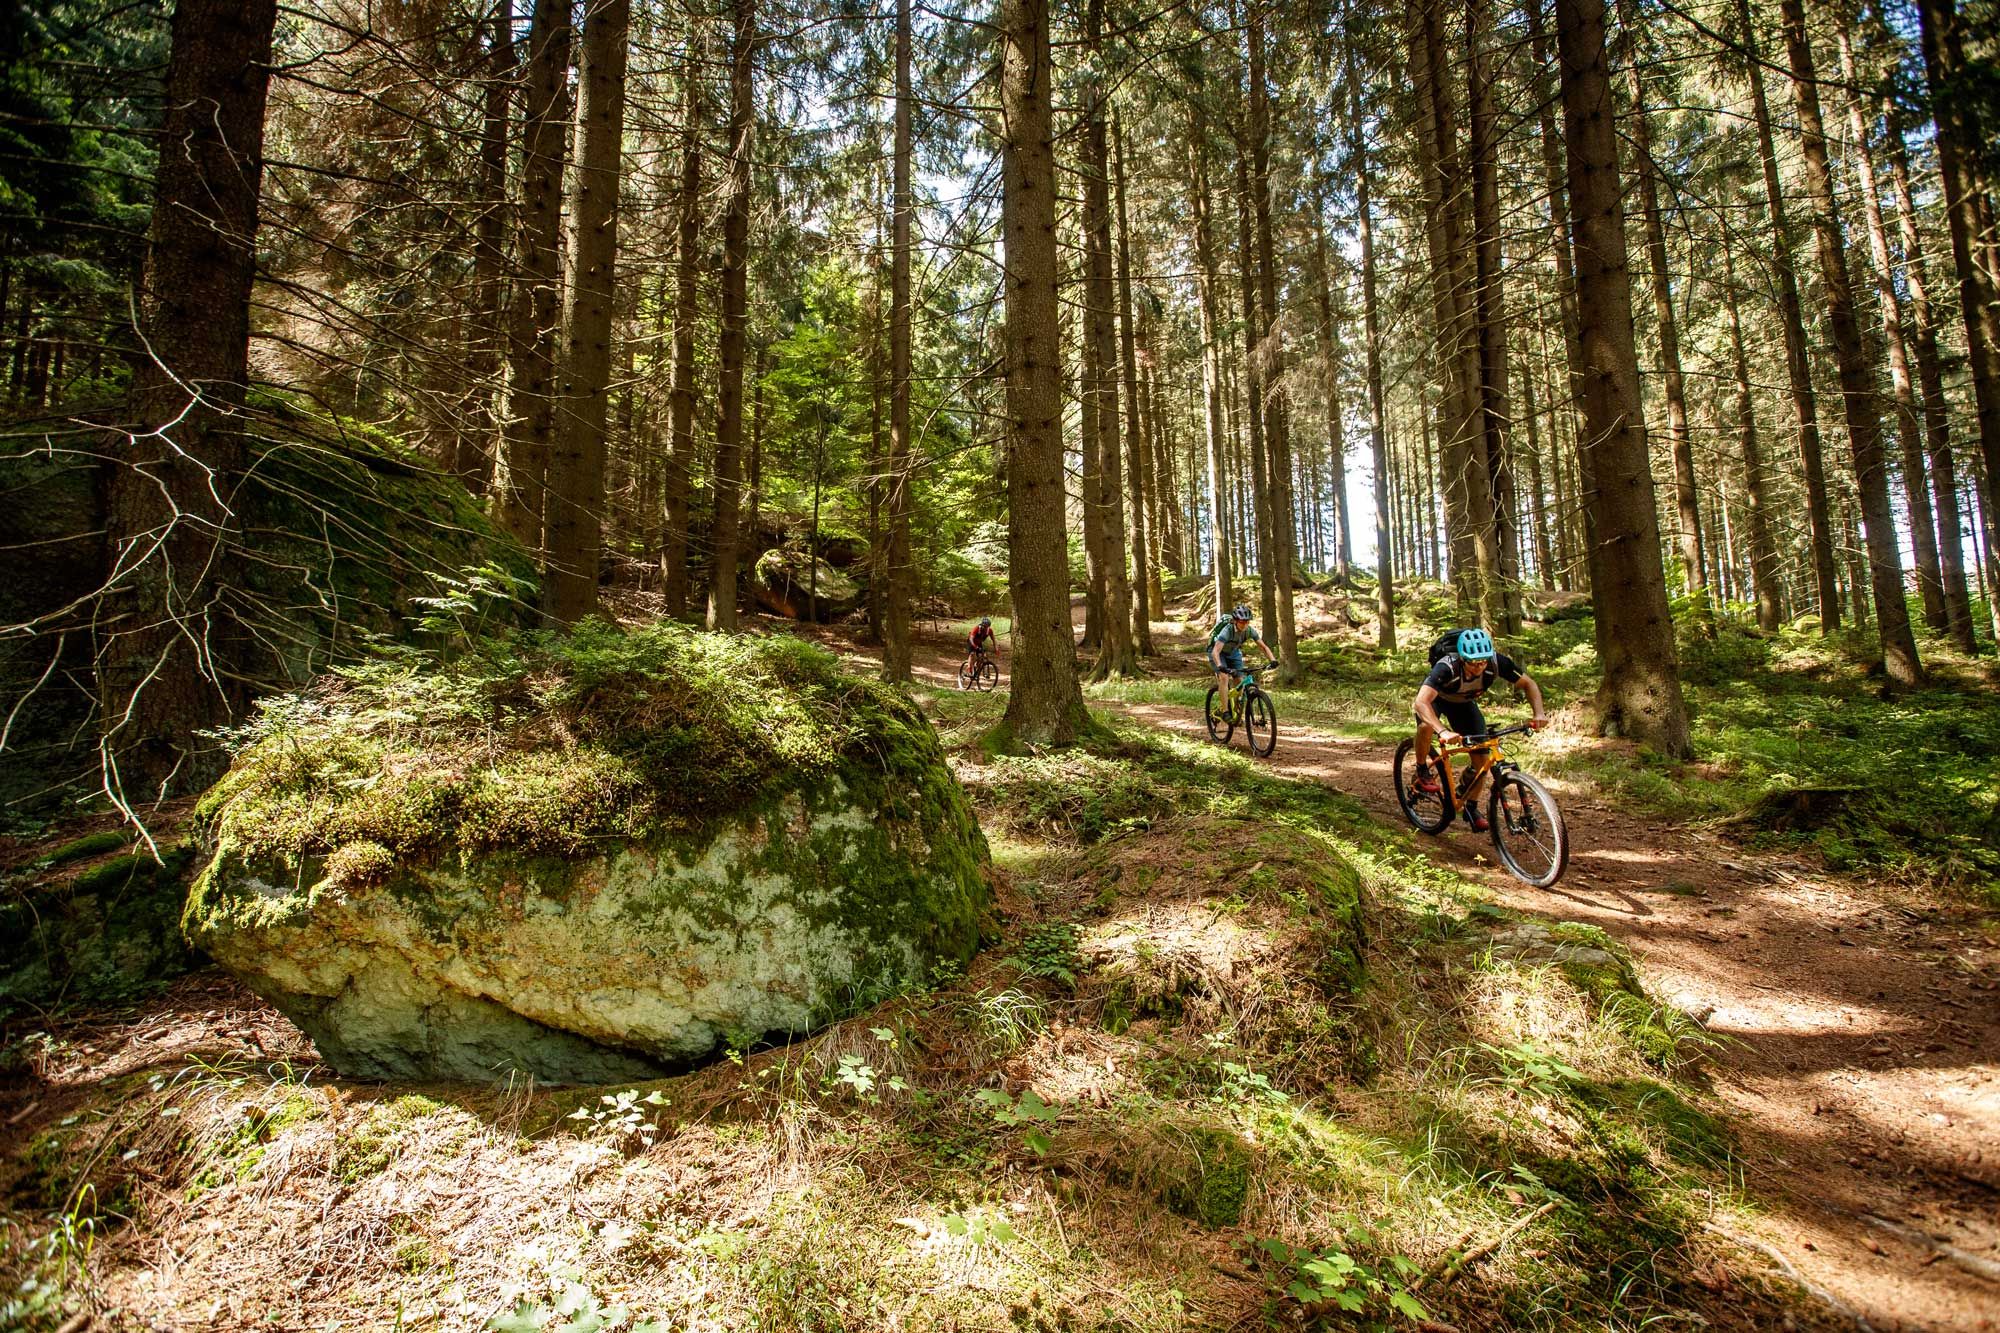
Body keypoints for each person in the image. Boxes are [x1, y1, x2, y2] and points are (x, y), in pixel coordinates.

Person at [1412, 627, 1549, 832]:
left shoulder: (1497, 662)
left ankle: (1471, 806)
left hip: (1464, 704)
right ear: (1462, 658)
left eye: (1482, 662)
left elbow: (1528, 684)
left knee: (1482, 761)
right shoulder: (1446, 667)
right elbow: (1421, 702)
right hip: (1437, 700)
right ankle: (1422, 768)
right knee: (1425, 725)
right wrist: (1443, 731)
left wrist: (1539, 713)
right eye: (1473, 663)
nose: (1478, 667)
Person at [1209, 604, 1277, 719]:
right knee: (1224, 677)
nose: (1245, 624)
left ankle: (1237, 711)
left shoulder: (1249, 631)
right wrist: (1220, 666)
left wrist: (1273, 660)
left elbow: (1263, 647)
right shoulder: (1227, 631)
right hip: (1218, 653)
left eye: (1247, 622)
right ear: (1235, 621)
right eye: (1242, 622)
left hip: (1233, 652)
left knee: (1239, 679)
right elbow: (1215, 651)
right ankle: (1225, 711)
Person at [961, 617, 998, 684]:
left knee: (982, 656)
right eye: (985, 626)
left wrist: (996, 649)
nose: (986, 628)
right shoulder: (976, 628)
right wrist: (975, 647)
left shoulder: (989, 630)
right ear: (982, 625)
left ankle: (979, 669)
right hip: (971, 642)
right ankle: (969, 668)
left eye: (987, 627)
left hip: (979, 643)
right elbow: (971, 639)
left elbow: (994, 640)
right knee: (972, 654)